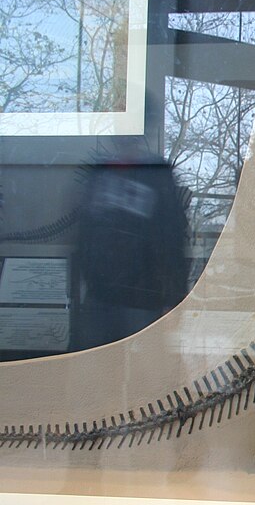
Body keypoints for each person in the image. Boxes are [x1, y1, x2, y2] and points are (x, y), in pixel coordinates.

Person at [70, 143, 189, 350]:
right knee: (95, 369)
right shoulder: (101, 172)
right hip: (99, 296)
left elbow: (172, 237)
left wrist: (174, 298)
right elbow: (85, 233)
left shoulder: (155, 172)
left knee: (143, 372)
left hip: (141, 300)